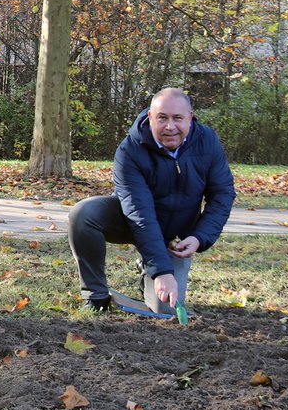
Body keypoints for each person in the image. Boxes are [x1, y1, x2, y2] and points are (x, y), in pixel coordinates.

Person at [68, 87, 234, 314]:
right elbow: (139, 213)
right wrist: (162, 271)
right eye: (162, 118)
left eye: (178, 118)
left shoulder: (208, 143)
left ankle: (148, 265)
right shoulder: (129, 151)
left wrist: (199, 237)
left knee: (164, 309)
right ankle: (96, 296)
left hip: (174, 236)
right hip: (130, 221)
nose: (170, 126)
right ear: (150, 118)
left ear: (190, 118)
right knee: (83, 214)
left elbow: (223, 195)